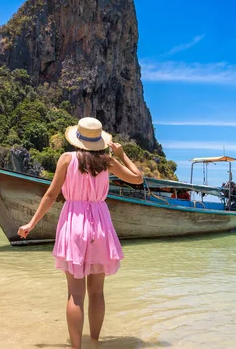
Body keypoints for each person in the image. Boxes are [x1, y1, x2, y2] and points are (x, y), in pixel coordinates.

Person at [18, 117, 143, 349]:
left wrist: (31, 223)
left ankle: (77, 347)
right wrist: (122, 154)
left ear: (77, 139)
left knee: (75, 294)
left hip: (73, 224)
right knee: (97, 292)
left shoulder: (66, 159)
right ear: (100, 142)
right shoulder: (108, 162)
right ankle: (94, 342)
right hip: (101, 225)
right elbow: (137, 178)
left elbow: (51, 194)